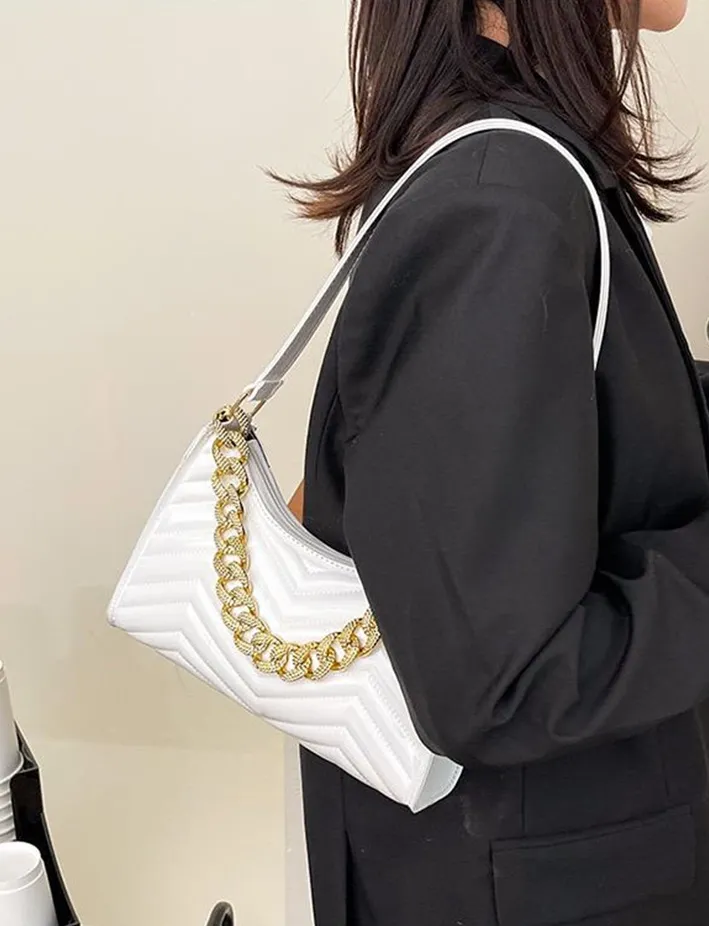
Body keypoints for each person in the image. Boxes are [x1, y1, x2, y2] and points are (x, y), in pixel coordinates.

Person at [280, 2, 709, 924]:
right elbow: (503, 684)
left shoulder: (515, 166)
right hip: (534, 886)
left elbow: (567, 421)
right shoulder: (499, 203)